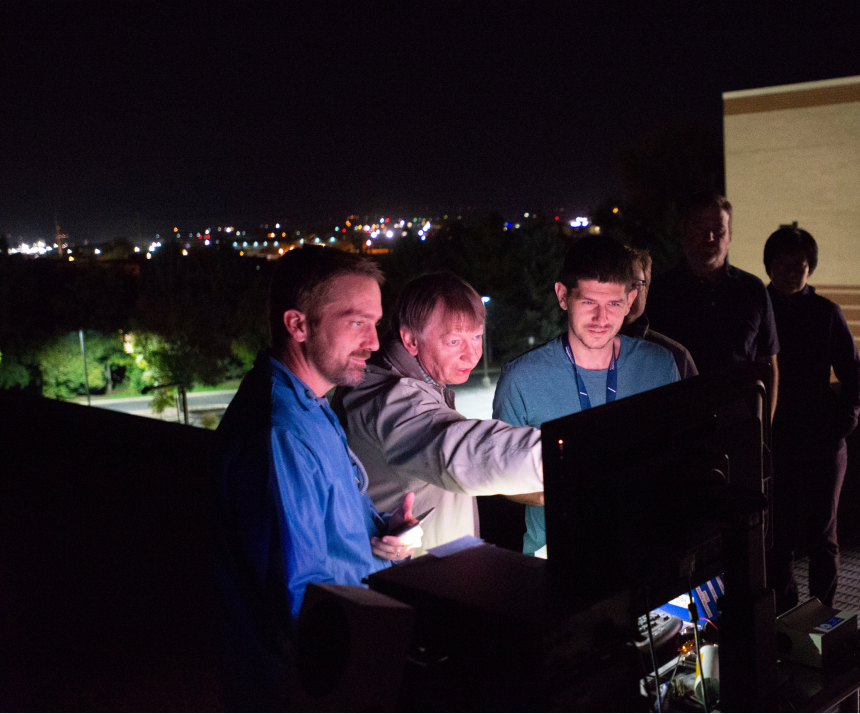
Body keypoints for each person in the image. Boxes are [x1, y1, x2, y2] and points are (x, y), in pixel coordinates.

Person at [214, 246, 423, 713]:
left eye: (376, 322)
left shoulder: (313, 404)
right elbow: (299, 597)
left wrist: (378, 532)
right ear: (298, 325)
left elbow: (326, 526)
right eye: (356, 323)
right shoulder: (281, 431)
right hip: (310, 683)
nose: (374, 341)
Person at [493, 235, 680, 557]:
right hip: (555, 555)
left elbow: (682, 455)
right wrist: (565, 490)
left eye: (614, 304)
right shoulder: (521, 378)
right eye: (589, 302)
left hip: (645, 548)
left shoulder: (660, 366)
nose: (601, 319)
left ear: (631, 298)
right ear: (563, 295)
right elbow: (499, 474)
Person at [338, 272, 545, 555]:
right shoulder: (391, 399)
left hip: (431, 575)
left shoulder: (422, 383)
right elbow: (462, 451)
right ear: (410, 340)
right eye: (453, 342)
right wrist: (563, 456)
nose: (472, 355)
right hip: (411, 586)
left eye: (476, 337)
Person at [762, 225, 860, 612]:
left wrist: (842, 426)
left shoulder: (826, 313)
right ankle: (787, 616)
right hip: (776, 441)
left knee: (823, 536)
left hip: (822, 440)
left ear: (811, 268)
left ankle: (823, 613)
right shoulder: (760, 310)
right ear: (769, 265)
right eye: (783, 264)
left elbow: (854, 372)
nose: (791, 272)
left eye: (800, 265)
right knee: (779, 539)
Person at [643, 190, 778, 415]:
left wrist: (764, 432)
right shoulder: (659, 292)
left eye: (719, 230)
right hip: (680, 428)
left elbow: (768, 365)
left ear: (730, 235)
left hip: (740, 425)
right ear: (683, 232)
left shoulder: (753, 290)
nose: (710, 237)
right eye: (700, 229)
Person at [620, 247, 699, 379]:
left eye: (635, 284)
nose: (626, 294)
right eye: (618, 283)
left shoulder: (674, 356)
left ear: (646, 292)